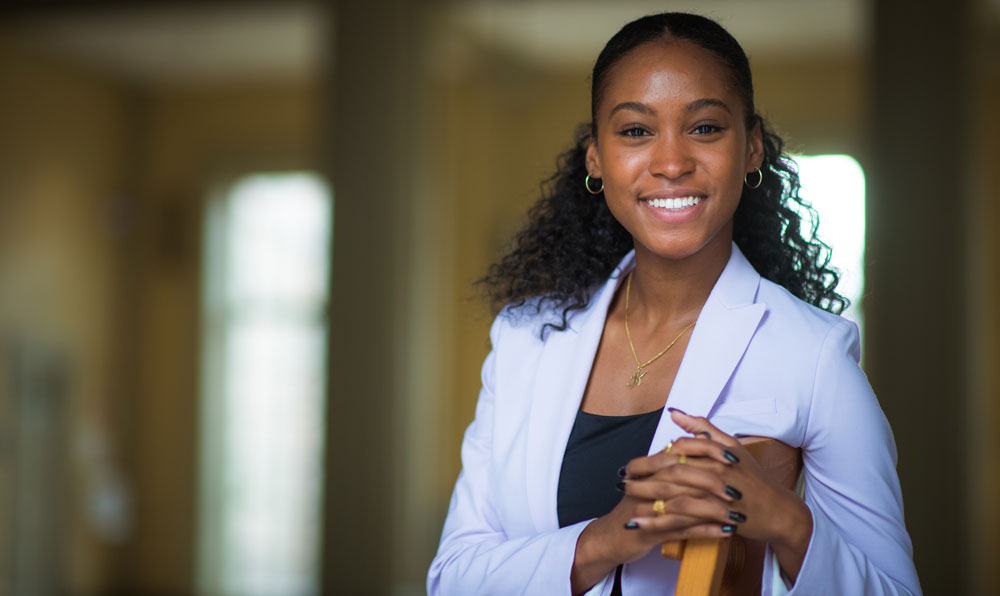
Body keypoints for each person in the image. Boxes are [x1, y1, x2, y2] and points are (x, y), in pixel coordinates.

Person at [427, 12, 920, 596]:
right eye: (636, 131)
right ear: (595, 157)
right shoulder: (523, 339)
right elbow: (452, 578)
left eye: (705, 128)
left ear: (753, 147)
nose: (671, 162)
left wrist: (787, 522)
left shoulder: (814, 355)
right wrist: (610, 538)